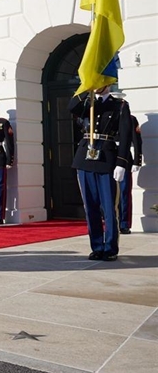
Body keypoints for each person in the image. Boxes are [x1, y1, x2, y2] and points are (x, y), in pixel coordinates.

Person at [69, 85, 131, 261]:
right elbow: (71, 107)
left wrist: (121, 163)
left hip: (106, 158)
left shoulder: (120, 105)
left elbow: (126, 136)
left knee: (110, 207)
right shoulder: (87, 103)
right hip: (85, 157)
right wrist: (84, 87)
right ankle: (97, 246)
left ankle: (110, 248)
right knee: (91, 207)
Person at [112, 91, 143, 235]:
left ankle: (124, 223)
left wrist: (137, 160)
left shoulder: (131, 119)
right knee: (108, 192)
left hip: (124, 157)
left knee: (124, 192)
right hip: (108, 155)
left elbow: (136, 141)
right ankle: (111, 220)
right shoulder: (107, 116)